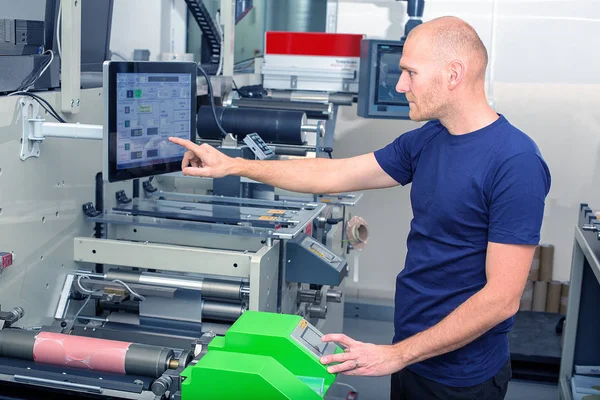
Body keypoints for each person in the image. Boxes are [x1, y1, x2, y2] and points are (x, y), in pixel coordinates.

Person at [169, 15, 551, 400]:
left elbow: (501, 299)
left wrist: (396, 355)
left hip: (461, 377)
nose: (401, 86)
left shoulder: (515, 162)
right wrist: (235, 165)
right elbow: (332, 174)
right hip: (412, 352)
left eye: (410, 73)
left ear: (453, 74)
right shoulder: (429, 140)